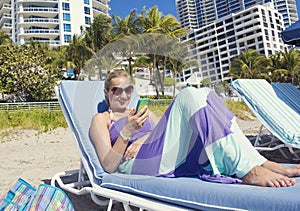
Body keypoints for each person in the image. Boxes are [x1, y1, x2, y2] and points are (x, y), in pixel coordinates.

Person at [90, 70, 300, 187]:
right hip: (137, 163)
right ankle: (249, 170)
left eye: (129, 89)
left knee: (206, 95)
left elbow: (163, 133)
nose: (124, 95)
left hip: (159, 152)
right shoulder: (100, 119)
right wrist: (126, 132)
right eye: (117, 90)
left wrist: (140, 139)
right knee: (188, 94)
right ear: (107, 92)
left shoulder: (140, 112)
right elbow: (108, 165)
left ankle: (261, 162)